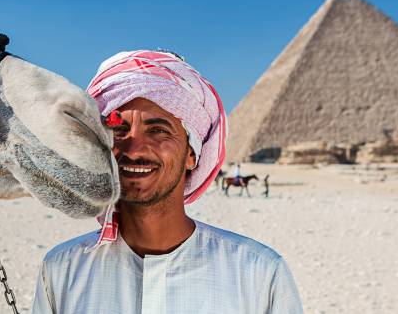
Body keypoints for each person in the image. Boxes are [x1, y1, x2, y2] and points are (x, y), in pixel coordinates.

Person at [32, 50, 302, 313]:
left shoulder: (259, 274)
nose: (134, 149)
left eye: (158, 131)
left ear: (192, 154)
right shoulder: (61, 271)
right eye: (118, 130)